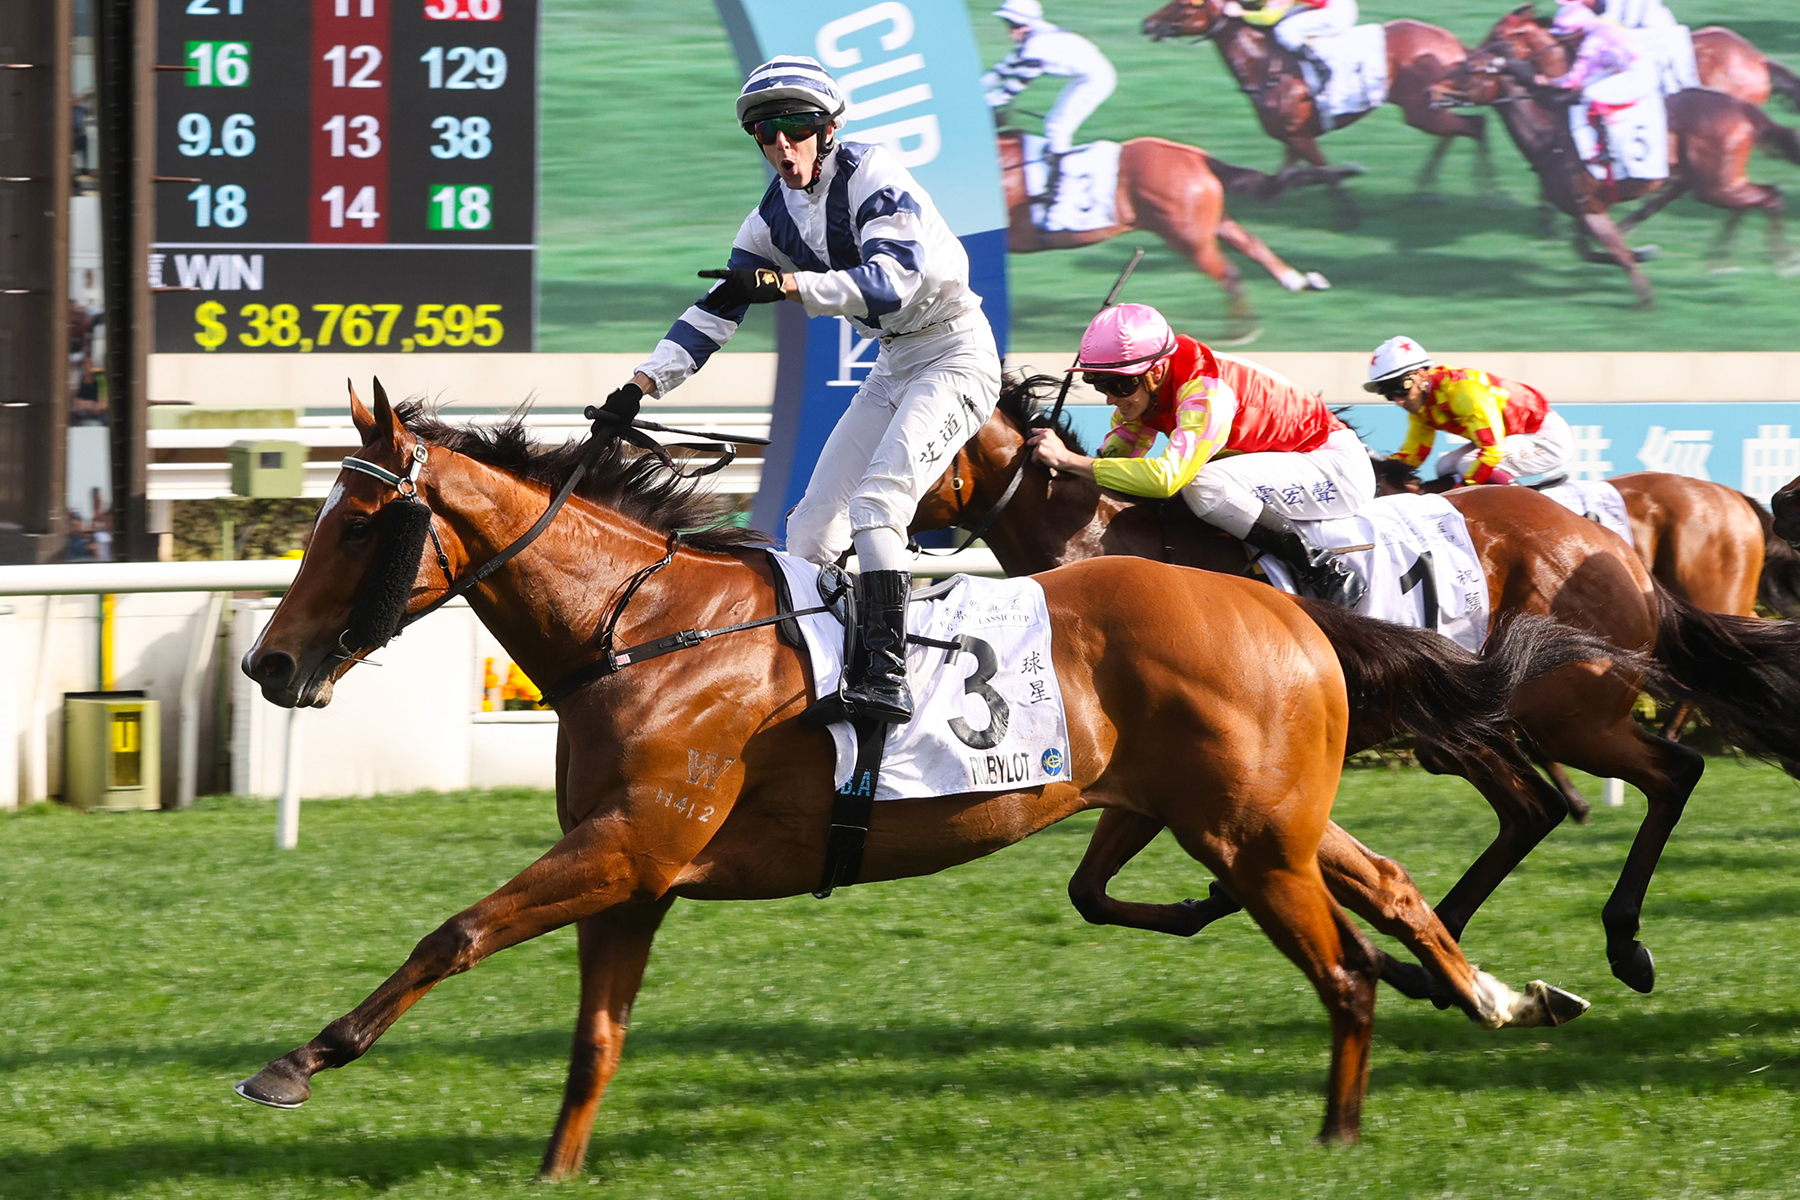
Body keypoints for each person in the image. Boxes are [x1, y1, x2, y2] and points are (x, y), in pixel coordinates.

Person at [604, 56, 1001, 726]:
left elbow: (892, 282)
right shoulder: (770, 219)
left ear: (829, 129)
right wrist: (638, 388)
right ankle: (815, 670)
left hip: (956, 353)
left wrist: (785, 284)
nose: (784, 146)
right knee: (810, 526)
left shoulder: (872, 172)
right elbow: (716, 311)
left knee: (877, 505)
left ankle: (887, 675)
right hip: (894, 362)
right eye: (768, 132)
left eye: (798, 128)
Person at [1026, 303, 1372, 607]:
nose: (1110, 398)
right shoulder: (1148, 396)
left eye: (1119, 384)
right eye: (1099, 383)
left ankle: (1324, 570)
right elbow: (1111, 465)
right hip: (1294, 464)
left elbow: (1165, 479)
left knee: (1202, 485)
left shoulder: (1205, 392)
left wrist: (1068, 459)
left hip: (1334, 468)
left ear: (1156, 372)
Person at [1364, 336, 1574, 487]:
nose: (1398, 401)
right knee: (1444, 467)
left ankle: (1526, 503)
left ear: (1421, 376)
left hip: (1544, 439)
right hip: (1514, 437)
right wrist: (1380, 467)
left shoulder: (1463, 391)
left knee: (1467, 465)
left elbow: (1491, 450)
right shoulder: (1422, 409)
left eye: (1401, 389)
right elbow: (1413, 457)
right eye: (1389, 395)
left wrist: (1464, 488)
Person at [982, 0, 1117, 210]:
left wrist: (988, 102)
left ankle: (1056, 189)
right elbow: (1001, 71)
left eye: (1015, 25)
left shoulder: (1037, 46)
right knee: (1055, 124)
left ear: (1027, 24)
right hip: (1085, 77)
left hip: (1095, 81)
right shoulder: (1032, 38)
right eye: (1009, 25)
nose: (1011, 32)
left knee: (1057, 127)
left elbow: (1013, 88)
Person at [1225, 0, 1359, 98]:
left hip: (1338, 13)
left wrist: (1241, 13)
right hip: (1330, 6)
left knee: (1284, 31)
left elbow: (1268, 18)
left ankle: (1322, 69)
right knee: (1283, 21)